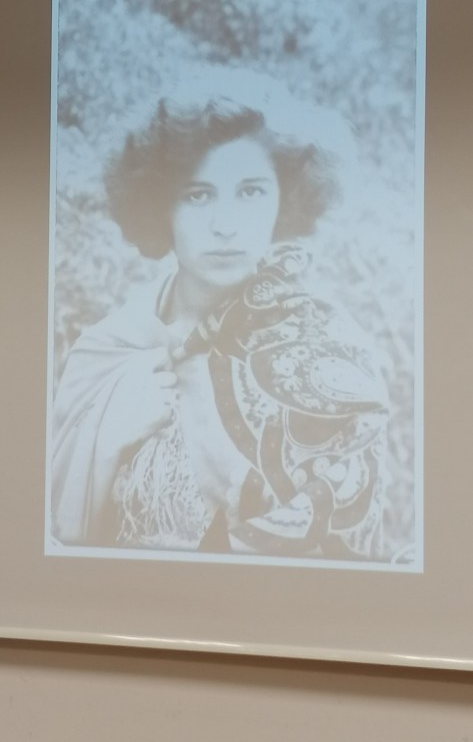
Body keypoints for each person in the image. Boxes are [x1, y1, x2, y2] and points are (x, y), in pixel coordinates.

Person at [51, 67, 389, 560]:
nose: (226, 225)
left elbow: (344, 557)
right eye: (197, 194)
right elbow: (44, 549)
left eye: (251, 191)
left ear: (284, 197)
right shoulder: (108, 350)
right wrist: (108, 441)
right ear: (160, 207)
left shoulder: (327, 352)